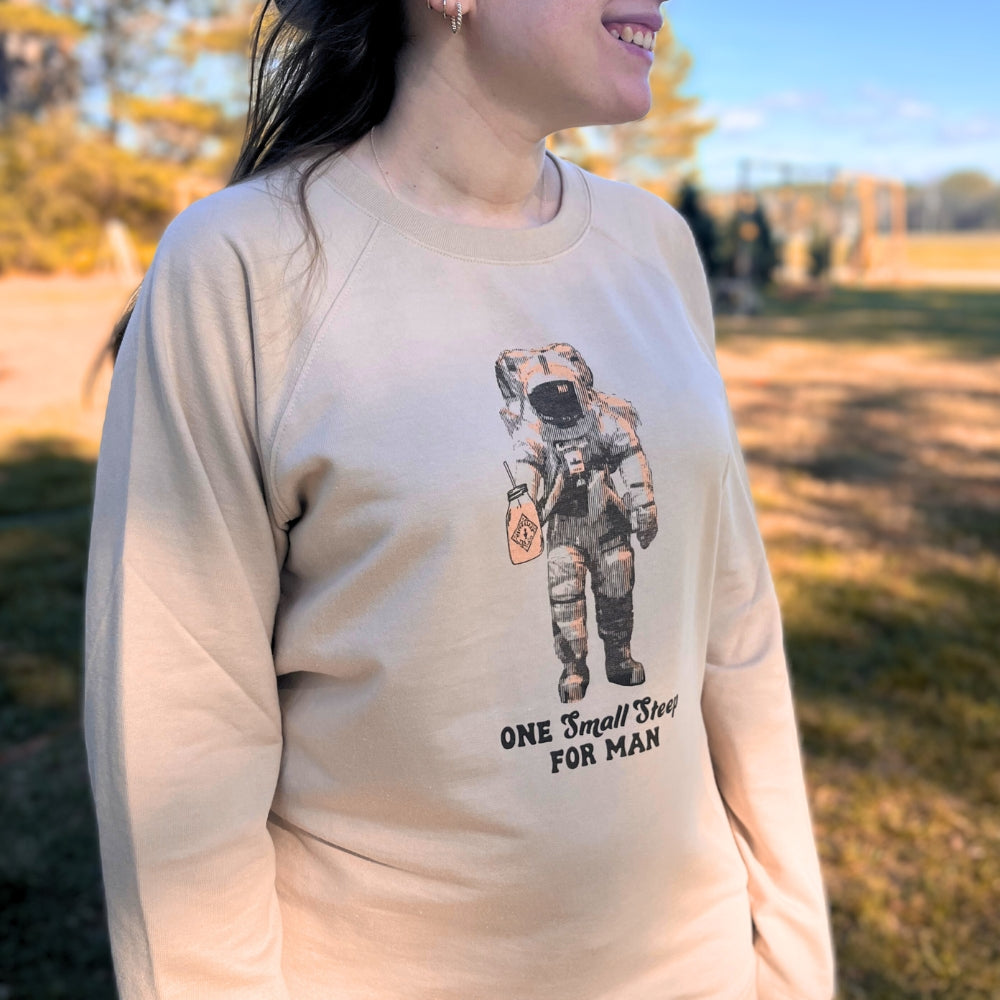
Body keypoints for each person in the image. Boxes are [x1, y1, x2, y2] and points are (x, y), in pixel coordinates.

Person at [83, 0, 837, 997]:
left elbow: (733, 637)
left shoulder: (653, 248)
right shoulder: (242, 270)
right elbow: (178, 735)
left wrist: (789, 959)